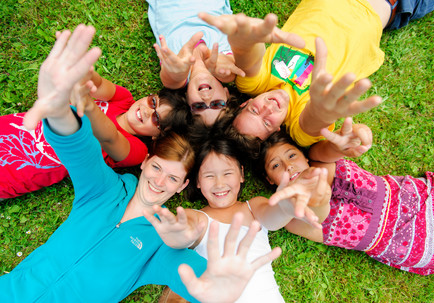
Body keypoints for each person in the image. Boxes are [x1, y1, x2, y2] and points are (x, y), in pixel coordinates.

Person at [0, 24, 283, 302]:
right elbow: (79, 149)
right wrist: (59, 107)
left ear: (183, 185)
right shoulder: (104, 189)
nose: (160, 182)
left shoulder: (163, 241)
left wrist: (218, 290)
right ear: (146, 162)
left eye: (173, 179)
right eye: (158, 168)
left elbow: (198, 281)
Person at [199, 0, 434, 147]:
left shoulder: (257, 83)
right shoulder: (299, 124)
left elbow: (249, 59)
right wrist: (322, 112)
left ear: (246, 103)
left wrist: (244, 43)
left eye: (255, 110)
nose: (268, 108)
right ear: (275, 132)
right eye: (266, 122)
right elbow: (313, 122)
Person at [145, 128, 325, 302]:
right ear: (198, 181)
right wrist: (176, 235)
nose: (219, 183)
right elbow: (187, 230)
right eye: (209, 176)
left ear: (241, 174)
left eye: (228, 173)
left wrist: (285, 207)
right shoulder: (199, 217)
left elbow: (272, 217)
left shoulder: (252, 207)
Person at [257, 118, 434, 276]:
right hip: (416, 243)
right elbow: (317, 214)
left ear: (304, 156)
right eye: (275, 165)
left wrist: (353, 135)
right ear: (270, 179)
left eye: (292, 156)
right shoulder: (293, 215)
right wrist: (318, 199)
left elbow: (335, 147)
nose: (288, 166)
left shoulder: (320, 160)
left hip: (428, 198)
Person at [0, 54, 192, 199]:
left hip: (21, 168)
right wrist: (84, 71)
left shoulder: (137, 150)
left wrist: (87, 104)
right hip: (16, 127)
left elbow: (110, 137)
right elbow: (99, 84)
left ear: (158, 136)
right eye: (152, 102)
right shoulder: (124, 99)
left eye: (157, 120)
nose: (148, 111)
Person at [145, 0, 246, 126]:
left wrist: (176, 72)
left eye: (198, 106)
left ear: (187, 100)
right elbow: (229, 69)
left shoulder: (179, 77)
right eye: (217, 104)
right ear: (226, 94)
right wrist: (224, 64)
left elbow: (170, 78)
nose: (206, 98)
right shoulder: (222, 67)